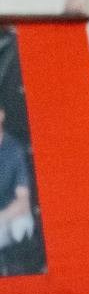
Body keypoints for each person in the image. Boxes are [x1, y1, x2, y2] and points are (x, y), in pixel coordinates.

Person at [0, 107, 36, 255]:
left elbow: (23, 202)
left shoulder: (15, 150)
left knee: (20, 226)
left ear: (1, 115)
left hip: (11, 217)